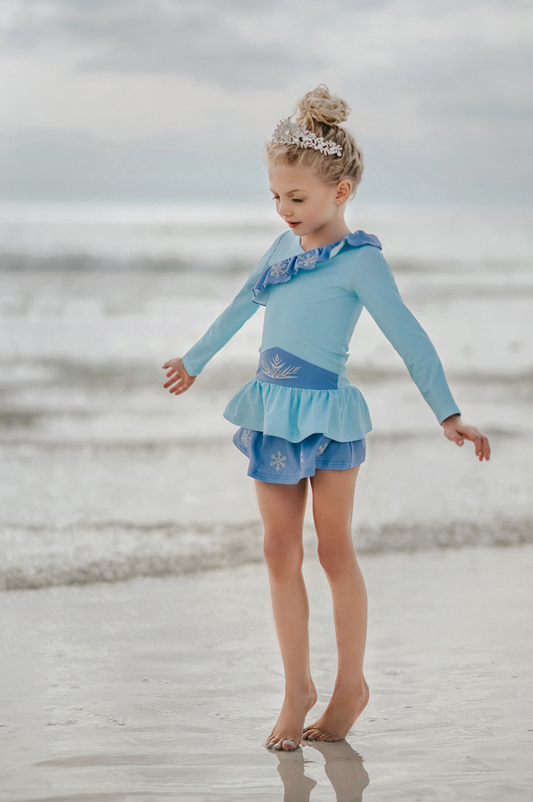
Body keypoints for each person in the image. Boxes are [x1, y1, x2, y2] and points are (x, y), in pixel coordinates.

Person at [162, 85, 491, 752]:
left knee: (333, 546)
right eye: (277, 197)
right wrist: (194, 360)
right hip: (269, 408)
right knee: (278, 549)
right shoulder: (278, 251)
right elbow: (239, 306)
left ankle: (349, 686)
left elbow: (409, 336)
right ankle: (295, 691)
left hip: (329, 417)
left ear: (340, 191)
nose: (285, 210)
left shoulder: (360, 261)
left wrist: (447, 412)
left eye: (298, 198)